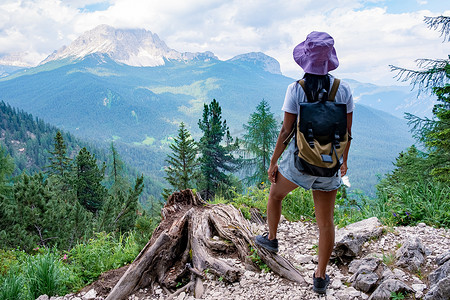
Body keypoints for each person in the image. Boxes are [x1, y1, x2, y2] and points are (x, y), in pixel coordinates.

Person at [255, 31, 354, 294]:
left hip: (299, 164)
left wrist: (274, 162)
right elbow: (347, 132)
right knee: (326, 223)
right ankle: (320, 277)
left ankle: (272, 239)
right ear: (329, 60)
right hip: (328, 165)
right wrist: (343, 162)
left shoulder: (295, 89)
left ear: (305, 60)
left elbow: (286, 132)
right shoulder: (343, 89)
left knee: (275, 196)